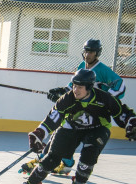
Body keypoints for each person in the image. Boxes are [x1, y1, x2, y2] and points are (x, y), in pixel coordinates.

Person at [11, 69, 136, 184]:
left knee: (89, 155)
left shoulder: (104, 98)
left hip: (97, 129)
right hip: (71, 128)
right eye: (74, 86)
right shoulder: (67, 99)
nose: (75, 90)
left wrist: (132, 123)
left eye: (80, 87)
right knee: (51, 159)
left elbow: (122, 113)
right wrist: (38, 134)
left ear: (89, 88)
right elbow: (52, 119)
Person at [20, 39, 127, 175]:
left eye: (91, 52)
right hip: (78, 108)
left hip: (93, 112)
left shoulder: (103, 70)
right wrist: (60, 92)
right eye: (86, 51)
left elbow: (120, 87)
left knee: (67, 133)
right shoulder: (82, 65)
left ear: (97, 53)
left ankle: (51, 160)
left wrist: (105, 100)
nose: (87, 55)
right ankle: (65, 163)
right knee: (64, 130)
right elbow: (73, 88)